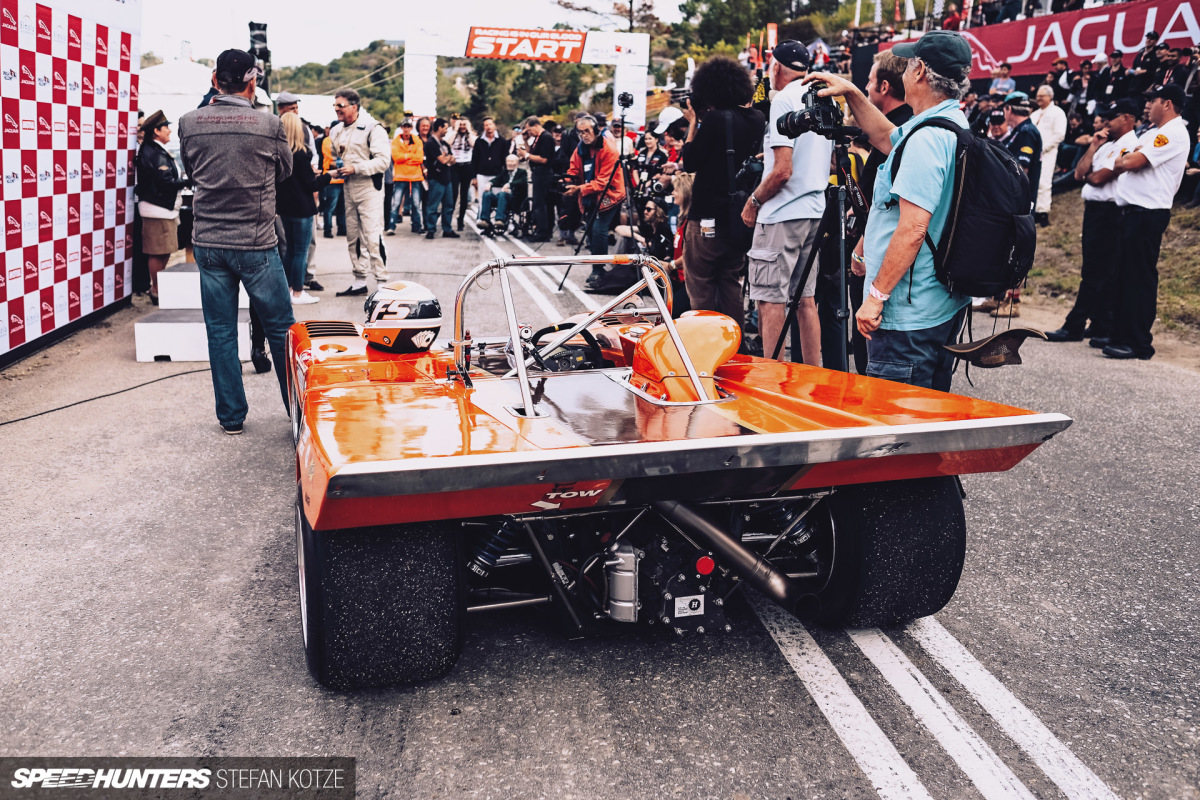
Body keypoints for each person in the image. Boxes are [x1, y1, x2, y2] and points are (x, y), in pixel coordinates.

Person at [804, 30, 973, 392]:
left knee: (896, 427)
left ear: (921, 73)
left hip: (908, 316)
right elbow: (886, 137)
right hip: (936, 302)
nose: (905, 69)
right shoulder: (945, 123)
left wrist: (875, 298)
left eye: (911, 62)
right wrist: (852, 92)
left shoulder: (928, 139)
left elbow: (912, 229)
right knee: (926, 412)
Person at [178, 49, 295, 436]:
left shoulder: (189, 123)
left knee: (221, 330)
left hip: (209, 243)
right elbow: (284, 171)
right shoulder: (269, 124)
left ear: (215, 80)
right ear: (253, 81)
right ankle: (296, 412)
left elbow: (192, 170)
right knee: (280, 330)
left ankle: (231, 417)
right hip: (256, 242)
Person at [740, 40, 832, 366]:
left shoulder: (784, 100)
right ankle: (814, 375)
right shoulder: (821, 94)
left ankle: (772, 384)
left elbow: (782, 170)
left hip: (782, 212)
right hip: (813, 209)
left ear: (776, 67)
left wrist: (753, 202)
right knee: (805, 300)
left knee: (770, 301)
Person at [1102, 85, 1190, 360]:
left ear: (1167, 104)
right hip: (1134, 213)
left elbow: (1130, 162)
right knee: (1124, 275)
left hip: (1148, 213)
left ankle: (1137, 341)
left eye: (1153, 100)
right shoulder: (1153, 132)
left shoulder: (1172, 132)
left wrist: (1125, 158)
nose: (1147, 105)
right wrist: (1124, 158)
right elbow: (1121, 159)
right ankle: (1120, 334)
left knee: (1139, 278)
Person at [679, 56, 765, 327]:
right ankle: (734, 347)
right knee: (730, 282)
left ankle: (703, 345)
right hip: (738, 218)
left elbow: (690, 161)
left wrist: (694, 122)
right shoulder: (757, 118)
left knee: (701, 284)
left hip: (706, 217)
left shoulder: (715, 120)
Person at [1045, 99, 1140, 343]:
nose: (1107, 121)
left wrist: (1090, 175)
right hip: (1095, 211)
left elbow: (1098, 178)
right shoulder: (1108, 145)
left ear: (1128, 118)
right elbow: (1080, 173)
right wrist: (1094, 145)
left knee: (1095, 271)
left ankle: (1075, 324)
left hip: (1109, 211)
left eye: (1113, 117)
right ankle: (1101, 323)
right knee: (1100, 270)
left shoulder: (1130, 144)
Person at [980, 93, 1041, 318]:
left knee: (1017, 253)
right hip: (1011, 203)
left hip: (1020, 203)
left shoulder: (1027, 132)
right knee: (1004, 251)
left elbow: (1020, 172)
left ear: (1008, 110)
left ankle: (1013, 301)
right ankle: (998, 297)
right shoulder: (1018, 132)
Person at [326, 87, 391, 297]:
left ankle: (382, 281)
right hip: (349, 186)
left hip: (369, 187)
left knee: (373, 235)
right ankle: (359, 280)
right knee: (353, 236)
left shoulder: (373, 128)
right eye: (335, 105)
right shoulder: (336, 130)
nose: (337, 109)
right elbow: (340, 157)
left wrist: (357, 168)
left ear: (354, 106)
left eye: (340, 105)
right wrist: (331, 173)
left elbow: (383, 161)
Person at [564, 114, 626, 288]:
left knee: (599, 229)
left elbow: (603, 182)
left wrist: (579, 189)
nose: (584, 135)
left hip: (610, 194)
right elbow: (573, 168)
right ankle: (597, 267)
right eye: (580, 132)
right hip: (590, 194)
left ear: (596, 131)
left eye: (587, 131)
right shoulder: (580, 148)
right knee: (591, 230)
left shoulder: (609, 150)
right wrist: (568, 181)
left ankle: (598, 270)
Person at [135, 110, 185, 305]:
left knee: (164, 251)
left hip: (163, 209)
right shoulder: (153, 152)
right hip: (157, 209)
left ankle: (158, 287)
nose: (170, 132)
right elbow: (165, 182)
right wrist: (187, 182)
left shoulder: (155, 150)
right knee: (157, 252)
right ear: (156, 131)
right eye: (166, 128)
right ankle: (156, 290)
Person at [275, 92, 322, 292]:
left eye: (296, 107)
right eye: (291, 108)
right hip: (300, 204)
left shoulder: (283, 153)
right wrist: (324, 177)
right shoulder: (301, 154)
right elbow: (311, 182)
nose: (295, 111)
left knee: (292, 248)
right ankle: (297, 289)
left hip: (285, 204)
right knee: (298, 249)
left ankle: (291, 286)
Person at [1031, 86, 1067, 226]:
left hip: (1048, 153)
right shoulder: (1035, 114)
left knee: (1044, 182)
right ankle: (1034, 211)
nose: (1039, 98)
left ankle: (1043, 212)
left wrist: (1044, 149)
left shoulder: (1057, 112)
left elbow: (1059, 135)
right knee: (1033, 182)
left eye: (1042, 96)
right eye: (1037, 96)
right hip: (1033, 154)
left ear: (1050, 97)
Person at [422, 118, 458, 239]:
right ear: (439, 128)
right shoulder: (431, 143)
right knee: (433, 206)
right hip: (436, 178)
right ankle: (430, 229)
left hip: (447, 177)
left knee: (448, 206)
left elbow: (452, 159)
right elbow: (442, 160)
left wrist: (446, 158)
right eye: (445, 128)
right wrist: (446, 158)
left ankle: (447, 229)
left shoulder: (444, 143)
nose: (446, 131)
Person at [522, 116, 556, 241]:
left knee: (540, 203)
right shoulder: (537, 138)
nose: (529, 133)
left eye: (529, 130)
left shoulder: (546, 138)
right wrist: (525, 141)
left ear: (536, 125)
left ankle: (543, 232)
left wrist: (526, 155)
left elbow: (544, 159)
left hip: (543, 173)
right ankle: (543, 229)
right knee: (541, 203)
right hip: (538, 173)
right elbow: (531, 153)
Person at [477, 154, 527, 235]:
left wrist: (510, 184)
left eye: (512, 161)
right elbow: (496, 180)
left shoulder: (522, 172)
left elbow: (522, 181)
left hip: (515, 200)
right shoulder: (504, 173)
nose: (510, 163)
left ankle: (500, 219)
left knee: (503, 193)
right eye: (508, 161)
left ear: (517, 163)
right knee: (487, 194)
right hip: (502, 199)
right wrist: (489, 183)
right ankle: (485, 220)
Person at [391, 120, 425, 234]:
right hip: (401, 177)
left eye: (408, 126)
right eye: (404, 126)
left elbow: (419, 158)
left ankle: (417, 226)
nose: (406, 129)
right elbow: (396, 157)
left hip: (415, 177)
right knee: (396, 203)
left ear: (411, 128)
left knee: (416, 204)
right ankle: (391, 226)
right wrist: (411, 156)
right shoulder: (396, 141)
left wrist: (404, 157)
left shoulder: (417, 141)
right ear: (401, 127)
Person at [471, 117, 509, 206]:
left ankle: (495, 218)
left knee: (496, 197)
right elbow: (474, 159)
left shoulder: (502, 141)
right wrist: (474, 177)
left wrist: (505, 175)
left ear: (494, 125)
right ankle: (482, 217)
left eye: (490, 124)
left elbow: (505, 159)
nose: (488, 127)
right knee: (482, 196)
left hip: (497, 173)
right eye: (486, 125)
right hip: (482, 174)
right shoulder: (479, 141)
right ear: (484, 127)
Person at [447, 118, 475, 231]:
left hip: (467, 165)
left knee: (464, 194)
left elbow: (474, 145)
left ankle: (460, 220)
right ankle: (448, 219)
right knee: (453, 193)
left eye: (464, 124)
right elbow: (448, 143)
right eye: (461, 124)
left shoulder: (471, 136)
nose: (462, 127)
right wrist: (455, 130)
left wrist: (468, 131)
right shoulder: (452, 134)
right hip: (455, 165)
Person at [320, 125, 346, 238]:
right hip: (332, 179)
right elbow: (332, 156)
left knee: (342, 207)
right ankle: (327, 230)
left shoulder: (343, 139)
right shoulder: (327, 141)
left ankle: (342, 228)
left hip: (343, 178)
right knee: (330, 207)